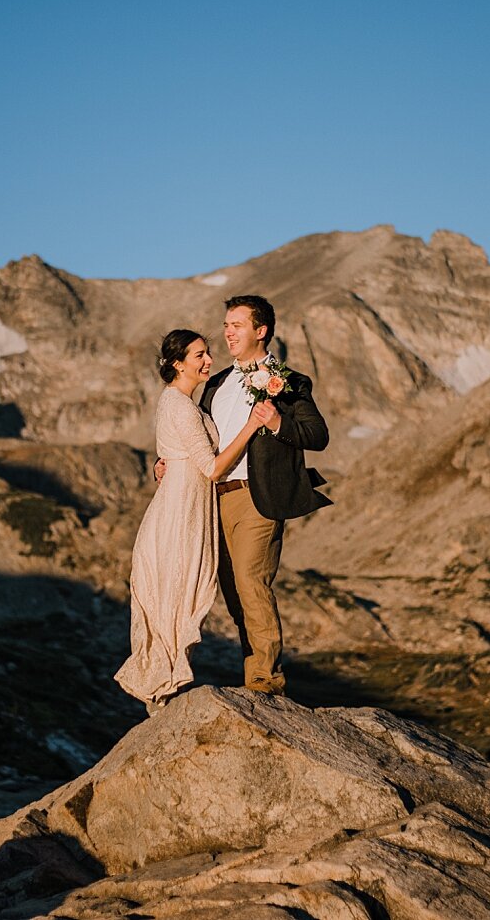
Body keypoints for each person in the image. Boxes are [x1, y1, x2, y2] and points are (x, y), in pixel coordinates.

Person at [115, 329, 267, 712]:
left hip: (186, 505)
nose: (208, 361)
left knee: (179, 596)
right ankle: (161, 695)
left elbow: (178, 455)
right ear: (177, 364)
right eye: (199, 355)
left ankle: (163, 693)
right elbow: (212, 467)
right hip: (181, 513)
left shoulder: (183, 404)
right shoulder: (180, 406)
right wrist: (251, 426)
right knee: (176, 594)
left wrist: (164, 464)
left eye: (208, 353)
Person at [200, 295, 331, 695]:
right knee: (232, 590)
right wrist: (163, 461)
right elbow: (199, 437)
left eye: (237, 325)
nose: (227, 332)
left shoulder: (289, 383)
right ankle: (253, 669)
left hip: (258, 498)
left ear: (261, 331)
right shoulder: (216, 385)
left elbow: (317, 435)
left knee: (251, 580)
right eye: (226, 325)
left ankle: (265, 680)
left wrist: (277, 422)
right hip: (212, 499)